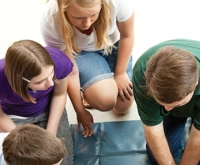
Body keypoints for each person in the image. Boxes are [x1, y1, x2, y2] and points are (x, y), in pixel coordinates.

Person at [41, 0, 135, 138]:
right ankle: (87, 90)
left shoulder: (116, 2)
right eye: (78, 17)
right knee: (106, 100)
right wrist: (80, 110)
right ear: (64, 8)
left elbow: (127, 36)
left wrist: (120, 74)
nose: (87, 23)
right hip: (82, 52)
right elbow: (70, 71)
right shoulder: (51, 18)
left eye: (93, 15)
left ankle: (93, 83)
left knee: (122, 107)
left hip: (114, 46)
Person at [0, 39, 74, 165]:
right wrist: (25, 138)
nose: (50, 84)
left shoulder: (59, 61)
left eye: (51, 74)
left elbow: (59, 94)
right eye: (40, 82)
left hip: (48, 109)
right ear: (19, 80)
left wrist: (50, 134)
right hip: (15, 118)